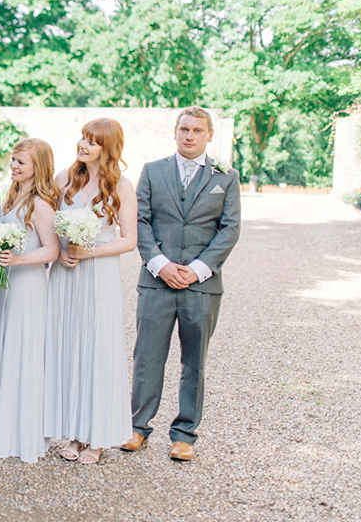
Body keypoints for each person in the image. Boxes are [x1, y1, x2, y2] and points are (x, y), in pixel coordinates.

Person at [121, 106, 241, 462]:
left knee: (195, 362)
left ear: (209, 135)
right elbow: (140, 221)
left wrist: (198, 269)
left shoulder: (226, 177)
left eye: (197, 131)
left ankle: (185, 433)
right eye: (184, 129)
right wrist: (160, 265)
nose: (189, 136)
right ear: (175, 132)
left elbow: (229, 229)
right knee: (147, 357)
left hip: (202, 286)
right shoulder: (153, 171)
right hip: (157, 282)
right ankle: (137, 427)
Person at [43, 118, 137, 465]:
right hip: (67, 277)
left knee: (96, 351)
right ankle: (74, 432)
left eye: (92, 142)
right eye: (83, 138)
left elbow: (129, 240)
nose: (83, 145)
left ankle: (97, 437)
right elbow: (47, 226)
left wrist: (89, 252)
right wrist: (63, 251)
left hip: (99, 277)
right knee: (68, 349)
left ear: (107, 149)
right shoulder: (63, 180)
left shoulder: (121, 186)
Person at [0, 138, 60, 463]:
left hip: (27, 285)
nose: (14, 167)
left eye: (21, 163)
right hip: (6, 286)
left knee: (22, 352)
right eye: (13, 161)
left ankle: (22, 431)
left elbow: (52, 250)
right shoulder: (11, 198)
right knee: (4, 349)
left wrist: (18, 261)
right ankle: (3, 423)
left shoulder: (40, 204)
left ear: (37, 168)